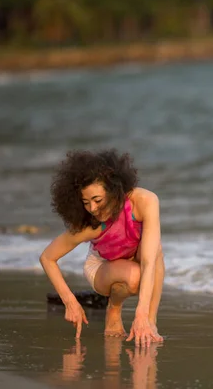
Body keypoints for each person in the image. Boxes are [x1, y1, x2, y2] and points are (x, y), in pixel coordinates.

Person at [39, 149, 165, 347]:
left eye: (97, 200)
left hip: (134, 257)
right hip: (101, 267)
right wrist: (70, 302)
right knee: (134, 278)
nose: (93, 209)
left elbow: (149, 261)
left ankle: (151, 322)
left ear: (114, 189)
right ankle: (113, 307)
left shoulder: (145, 201)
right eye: (86, 202)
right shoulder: (91, 226)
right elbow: (47, 258)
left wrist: (142, 316)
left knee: (155, 251)